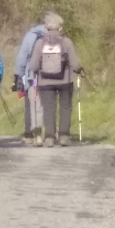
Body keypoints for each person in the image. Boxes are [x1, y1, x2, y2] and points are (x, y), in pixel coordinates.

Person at [28, 12, 83, 146]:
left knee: (48, 108)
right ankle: (63, 136)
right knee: (65, 107)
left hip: (45, 81)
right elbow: (75, 64)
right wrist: (79, 69)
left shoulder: (40, 43)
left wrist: (37, 72)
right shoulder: (66, 42)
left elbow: (33, 65)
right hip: (65, 80)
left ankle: (49, 137)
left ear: (46, 27)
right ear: (60, 27)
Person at [14, 14, 47, 146]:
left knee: (33, 103)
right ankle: (49, 133)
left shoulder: (30, 35)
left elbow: (22, 57)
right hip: (52, 77)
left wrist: (18, 74)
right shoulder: (55, 35)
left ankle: (34, 134)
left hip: (33, 77)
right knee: (47, 104)